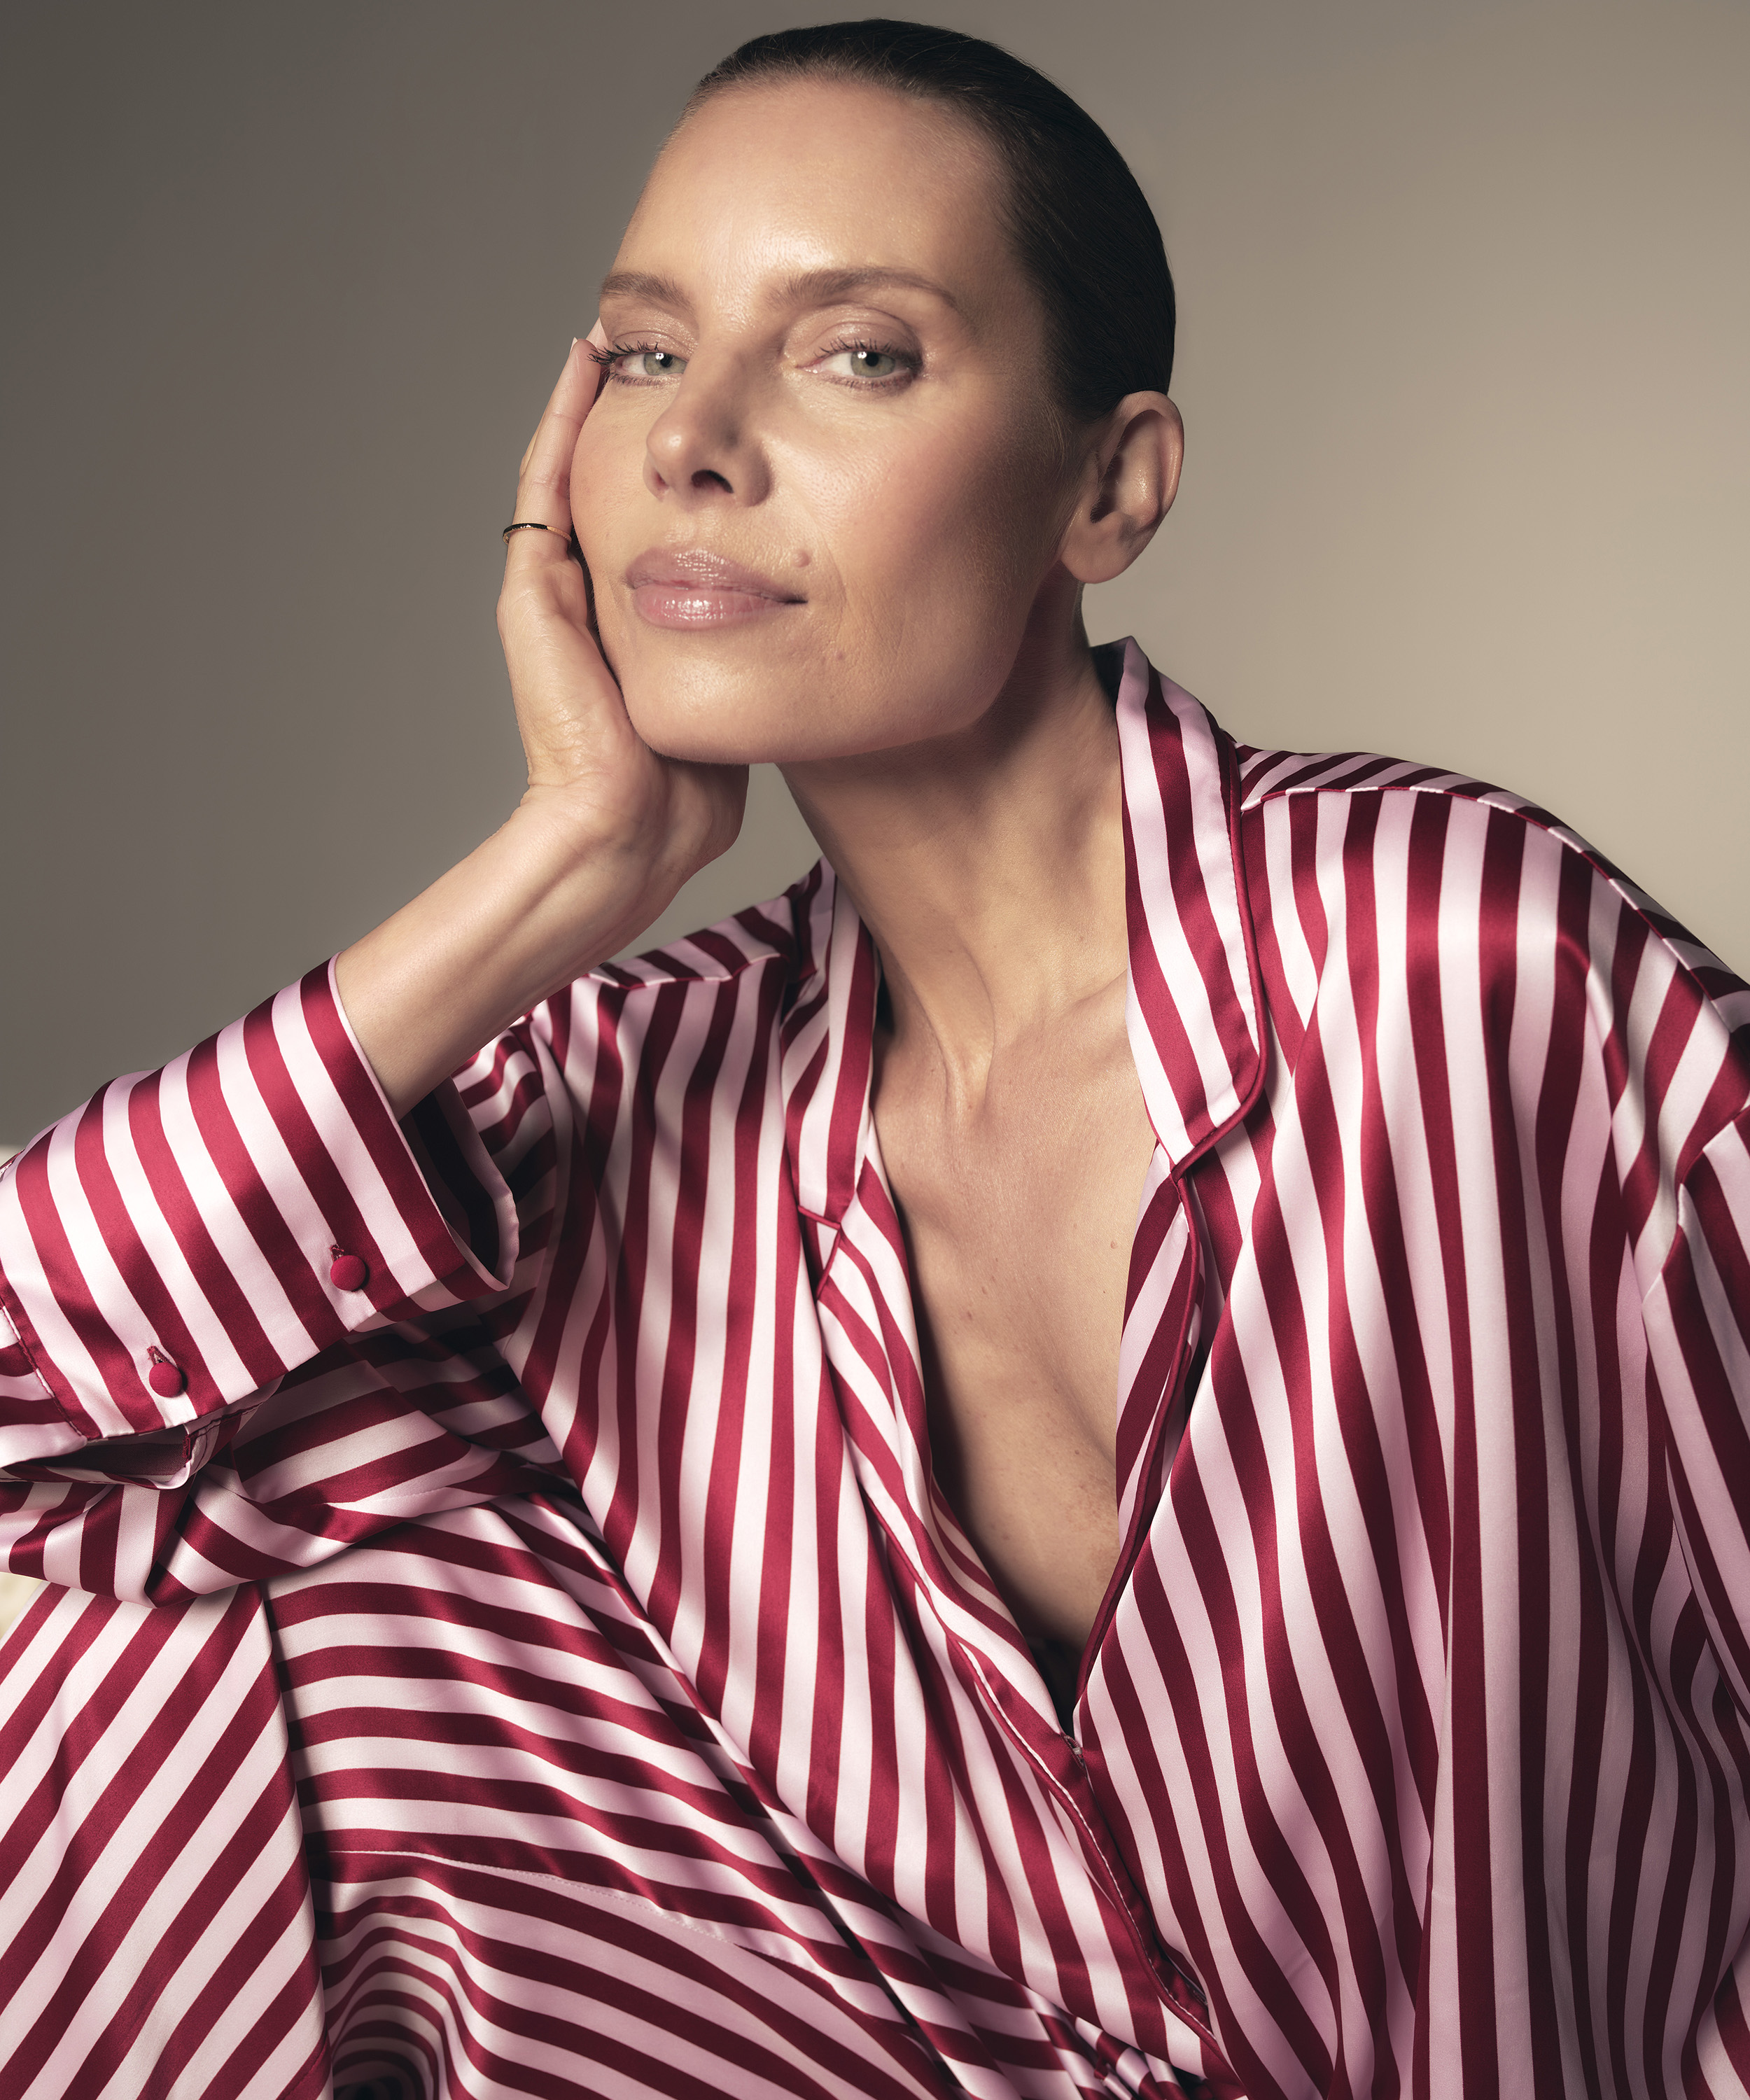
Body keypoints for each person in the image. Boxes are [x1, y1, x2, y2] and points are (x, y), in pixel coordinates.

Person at [1, 18, 1746, 2099]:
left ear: (1108, 485)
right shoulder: (626, 1087)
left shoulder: (1459, 969)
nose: (692, 442)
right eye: (642, 351)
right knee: (117, 1619)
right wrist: (559, 868)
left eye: (859, 354)